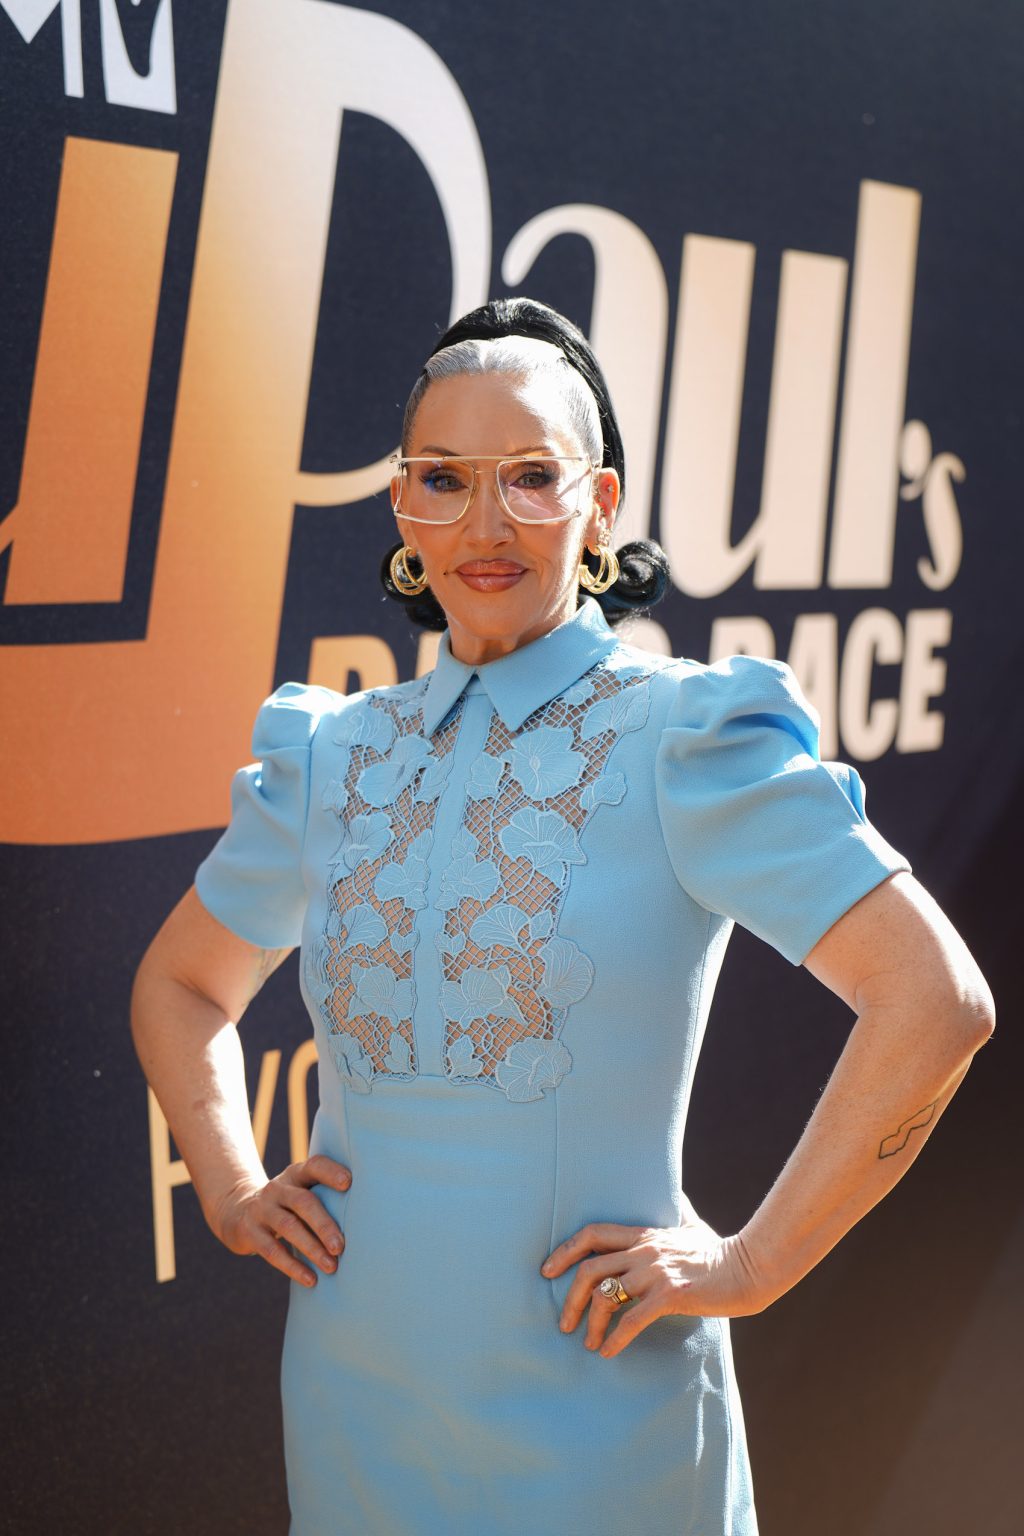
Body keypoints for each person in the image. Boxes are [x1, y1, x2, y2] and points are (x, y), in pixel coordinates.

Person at [131, 297, 994, 1535]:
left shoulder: (683, 735)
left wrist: (752, 1264)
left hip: (608, 1415)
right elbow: (180, 987)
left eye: (532, 478)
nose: (486, 524)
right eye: (445, 479)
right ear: (400, 506)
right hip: (355, 1401)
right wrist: (228, 1187)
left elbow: (935, 1002)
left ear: (600, 508)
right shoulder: (332, 754)